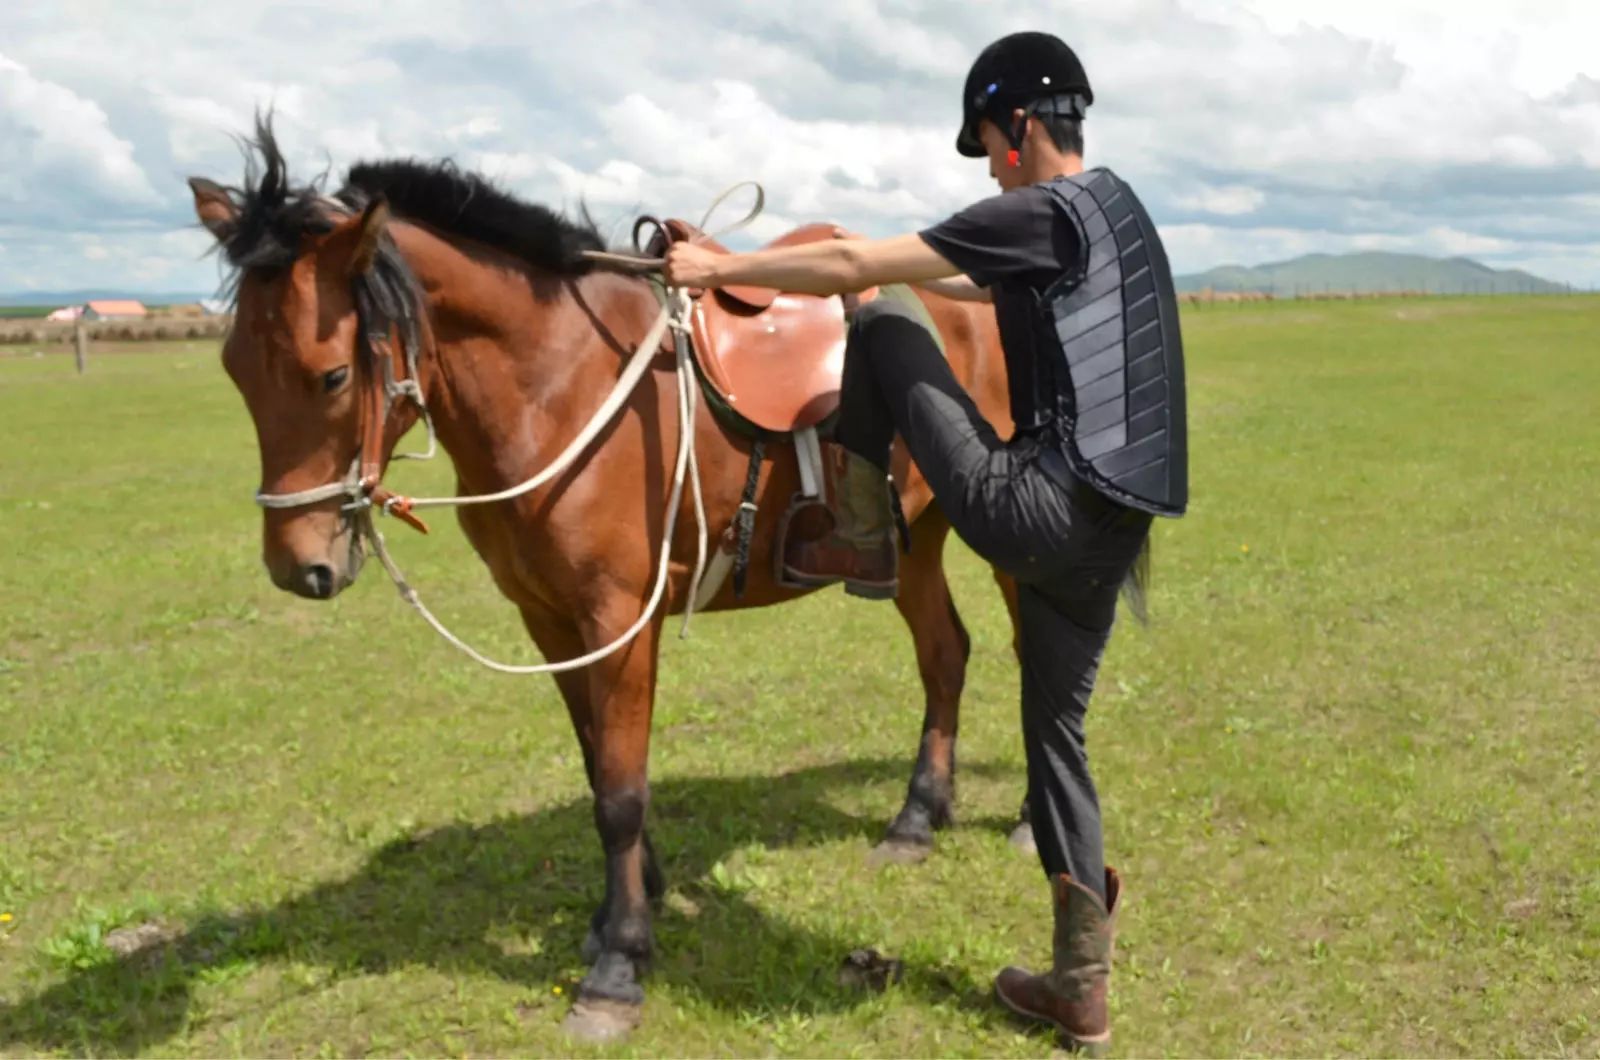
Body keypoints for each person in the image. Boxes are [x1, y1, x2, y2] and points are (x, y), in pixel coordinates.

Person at [664, 30, 1187, 1052]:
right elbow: (983, 287)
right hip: (1111, 537)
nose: (990, 167)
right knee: (1057, 742)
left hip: (1034, 511)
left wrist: (723, 266)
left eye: (988, 144)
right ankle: (1080, 988)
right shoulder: (1114, 214)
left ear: (1020, 126)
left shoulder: (1037, 210)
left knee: (883, 317)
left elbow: (860, 267)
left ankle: (862, 534)